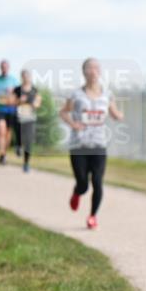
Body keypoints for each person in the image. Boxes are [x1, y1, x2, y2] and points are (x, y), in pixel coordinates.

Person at [58, 58, 124, 229]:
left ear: (100, 72)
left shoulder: (107, 94)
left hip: (99, 145)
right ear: (84, 72)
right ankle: (77, 192)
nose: (93, 71)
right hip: (79, 145)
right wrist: (73, 124)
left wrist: (118, 115)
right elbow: (63, 112)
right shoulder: (76, 95)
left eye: (96, 68)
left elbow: (114, 112)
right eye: (90, 68)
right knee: (83, 184)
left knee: (97, 181)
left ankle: (93, 216)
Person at [13, 70, 42, 173]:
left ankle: (26, 163)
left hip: (30, 118)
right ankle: (18, 146)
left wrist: (35, 104)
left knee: (29, 140)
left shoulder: (34, 90)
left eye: (28, 76)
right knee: (20, 137)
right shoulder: (17, 89)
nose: (26, 78)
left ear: (30, 78)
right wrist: (20, 100)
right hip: (18, 117)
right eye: (24, 76)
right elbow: (11, 101)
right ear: (22, 78)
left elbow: (38, 101)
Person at [0, 60, 20, 165]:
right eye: (2, 67)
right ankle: (2, 154)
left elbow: (18, 95)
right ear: (0, 68)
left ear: (8, 67)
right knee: (1, 130)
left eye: (5, 66)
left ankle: (4, 153)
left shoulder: (14, 80)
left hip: (10, 110)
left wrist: (12, 92)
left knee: (8, 133)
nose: (4, 68)